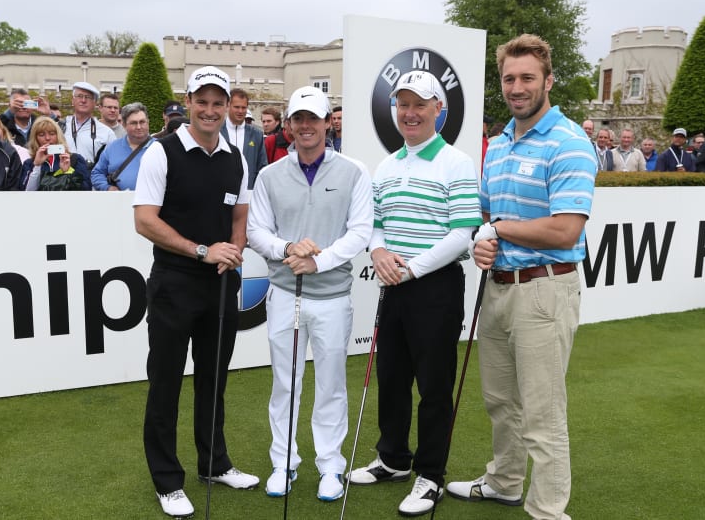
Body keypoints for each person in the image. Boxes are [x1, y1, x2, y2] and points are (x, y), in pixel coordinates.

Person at [447, 34, 595, 520]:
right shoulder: (499, 143)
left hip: (545, 289)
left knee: (542, 414)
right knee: (500, 402)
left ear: (548, 81)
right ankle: (505, 482)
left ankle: (548, 510)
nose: (517, 86)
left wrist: (499, 229)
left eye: (527, 77)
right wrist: (482, 238)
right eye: (509, 78)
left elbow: (565, 228)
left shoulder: (570, 141)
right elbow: (484, 215)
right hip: (499, 289)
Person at [346, 70, 482, 517]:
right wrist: (379, 251)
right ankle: (393, 459)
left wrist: (411, 269)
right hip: (395, 284)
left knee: (435, 385)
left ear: (437, 111)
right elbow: (376, 222)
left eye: (420, 104)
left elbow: (463, 232)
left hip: (435, 287)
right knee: (392, 376)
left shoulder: (457, 163)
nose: (410, 113)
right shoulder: (387, 165)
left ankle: (430, 475)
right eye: (403, 104)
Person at [133, 66, 259, 518]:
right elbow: (145, 220)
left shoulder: (234, 157)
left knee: (214, 379)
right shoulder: (161, 152)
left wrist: (233, 252)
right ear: (188, 102)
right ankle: (168, 480)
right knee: (165, 382)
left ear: (228, 106)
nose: (209, 110)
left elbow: (240, 218)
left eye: (217, 103)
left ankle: (213, 463)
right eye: (201, 102)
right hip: (173, 283)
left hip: (221, 284)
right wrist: (203, 250)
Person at [247, 86, 373, 501]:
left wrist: (317, 261)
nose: (305, 126)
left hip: (332, 295)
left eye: (313, 119)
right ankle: (284, 463)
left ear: (327, 124)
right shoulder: (268, 176)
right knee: (286, 383)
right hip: (286, 293)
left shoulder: (354, 171)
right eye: (298, 119)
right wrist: (288, 249)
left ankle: (330, 466)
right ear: (288, 126)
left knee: (332, 384)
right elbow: (256, 232)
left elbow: (360, 232)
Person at [92, 102, 158, 191]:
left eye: (142, 122)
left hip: (153, 202)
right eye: (134, 123)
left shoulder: (160, 148)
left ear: (148, 122)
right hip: (119, 202)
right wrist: (107, 187)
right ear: (124, 125)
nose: (139, 127)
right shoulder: (112, 148)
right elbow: (96, 173)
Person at [22, 117, 91, 191]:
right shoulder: (29, 163)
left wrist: (68, 172)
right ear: (35, 138)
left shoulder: (75, 159)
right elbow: (26, 191)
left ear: (58, 136)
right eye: (41, 135)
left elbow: (86, 189)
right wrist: (37, 166)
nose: (47, 138)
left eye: (52, 134)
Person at [221, 87, 266, 189]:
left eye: (244, 107)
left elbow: (262, 167)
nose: (240, 111)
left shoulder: (257, 134)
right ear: (228, 106)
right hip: (219, 194)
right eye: (236, 107)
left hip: (248, 194)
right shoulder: (216, 131)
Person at [63, 81, 115, 168]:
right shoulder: (60, 127)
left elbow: (112, 164)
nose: (83, 100)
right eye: (79, 96)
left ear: (95, 103)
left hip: (91, 180)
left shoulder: (107, 133)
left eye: (88, 97)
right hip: (62, 180)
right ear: (73, 100)